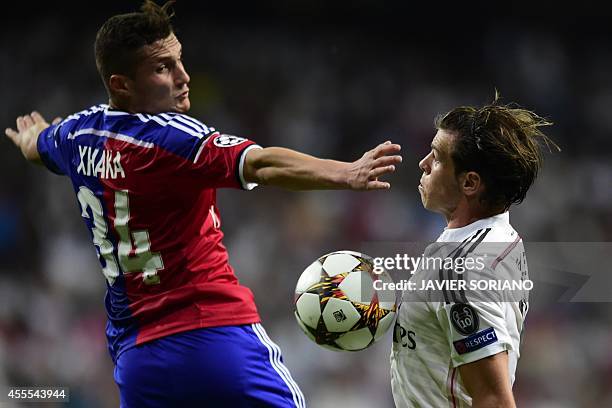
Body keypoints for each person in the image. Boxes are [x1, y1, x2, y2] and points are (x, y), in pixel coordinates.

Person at [4, 1, 402, 407]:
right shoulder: (170, 137)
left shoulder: (75, 134)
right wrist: (345, 174)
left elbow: (40, 147)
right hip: (212, 336)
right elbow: (260, 163)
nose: (183, 77)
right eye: (163, 68)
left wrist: (28, 141)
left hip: (138, 361)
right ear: (121, 84)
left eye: (179, 61)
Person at [390, 99, 557, 407]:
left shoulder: (462, 269)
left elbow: (493, 400)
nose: (423, 163)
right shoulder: (500, 239)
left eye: (437, 158)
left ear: (470, 183)